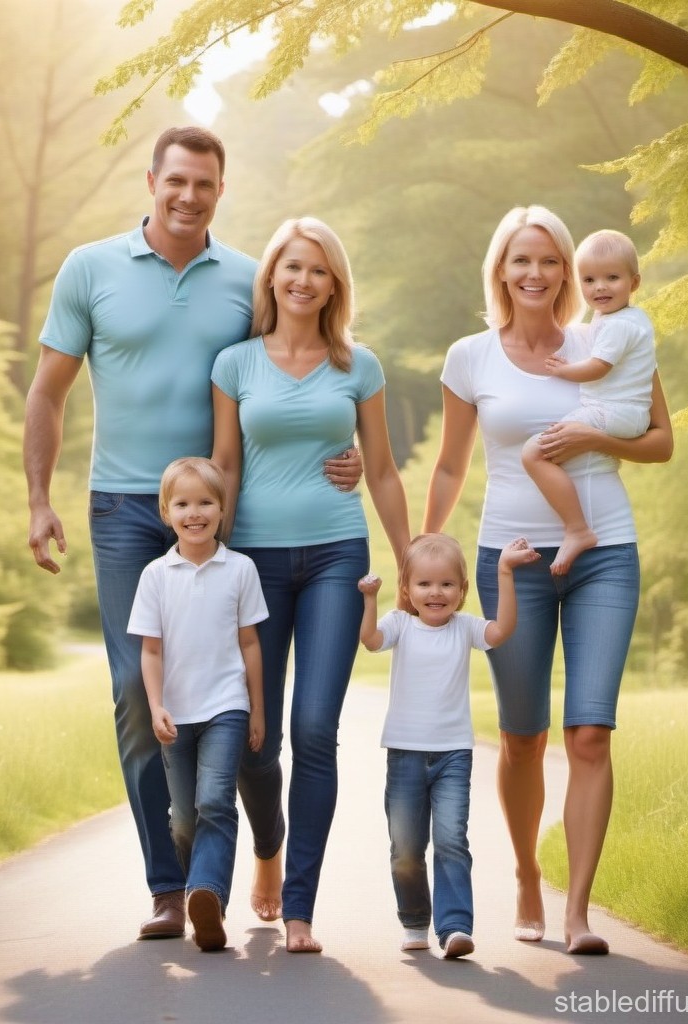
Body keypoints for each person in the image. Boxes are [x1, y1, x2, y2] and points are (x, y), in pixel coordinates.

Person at [23, 126, 361, 940]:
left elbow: (293, 373)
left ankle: (262, 842)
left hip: (225, 514)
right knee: (140, 695)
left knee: (235, 703)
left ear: (220, 189)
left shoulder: (249, 281)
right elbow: (46, 393)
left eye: (204, 184)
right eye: (175, 181)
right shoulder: (90, 269)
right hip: (122, 512)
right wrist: (39, 499)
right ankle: (168, 886)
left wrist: (339, 449)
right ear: (151, 180)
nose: (188, 196)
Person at [423, 205, 673, 956]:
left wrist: (598, 436)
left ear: (570, 271)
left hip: (606, 552)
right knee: (523, 736)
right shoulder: (470, 356)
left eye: (551, 261)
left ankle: (578, 912)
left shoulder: (612, 334)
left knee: (590, 733)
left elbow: (661, 440)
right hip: (513, 560)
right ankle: (530, 875)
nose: (536, 273)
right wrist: (429, 545)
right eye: (521, 260)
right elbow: (449, 462)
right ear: (500, 269)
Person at [211, 216, 411, 953]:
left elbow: (381, 468)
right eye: (291, 266)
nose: (303, 280)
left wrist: (411, 557)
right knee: (255, 744)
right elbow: (225, 464)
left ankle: (300, 908)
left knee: (315, 732)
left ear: (335, 285)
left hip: (335, 555)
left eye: (319, 270)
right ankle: (268, 850)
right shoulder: (235, 365)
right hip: (255, 563)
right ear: (272, 276)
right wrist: (212, 563)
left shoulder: (359, 365)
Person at [358, 534, 538, 960]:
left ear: (461, 591)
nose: (435, 593)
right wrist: (369, 598)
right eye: (424, 584)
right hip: (405, 753)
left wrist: (506, 572)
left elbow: (504, 629)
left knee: (452, 839)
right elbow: (369, 640)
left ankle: (456, 926)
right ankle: (415, 918)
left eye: (445, 585)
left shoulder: (467, 628)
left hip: (454, 754)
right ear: (407, 590)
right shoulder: (401, 625)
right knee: (405, 847)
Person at [127, 457, 268, 951]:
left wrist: (257, 709)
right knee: (183, 816)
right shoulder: (155, 575)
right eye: (182, 503)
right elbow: (150, 650)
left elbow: (250, 644)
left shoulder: (241, 569)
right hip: (176, 713)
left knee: (214, 802)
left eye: (205, 502)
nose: (195, 512)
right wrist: (155, 705)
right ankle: (199, 892)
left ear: (222, 509)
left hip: (227, 705)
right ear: (166, 512)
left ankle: (208, 895)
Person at [521, 228, 657, 575]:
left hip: (613, 412)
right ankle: (576, 525)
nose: (600, 287)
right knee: (551, 449)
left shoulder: (617, 326)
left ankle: (578, 529)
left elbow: (598, 367)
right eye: (590, 279)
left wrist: (565, 370)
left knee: (534, 453)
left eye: (612, 278)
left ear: (634, 282)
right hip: (623, 412)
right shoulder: (621, 319)